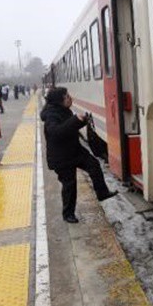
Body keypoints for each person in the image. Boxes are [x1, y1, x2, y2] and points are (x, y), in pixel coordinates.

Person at [41, 87, 117, 223]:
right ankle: (68, 214)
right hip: (61, 157)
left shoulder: (64, 110)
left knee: (93, 165)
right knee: (69, 185)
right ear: (60, 100)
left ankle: (102, 192)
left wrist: (82, 121)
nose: (70, 98)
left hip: (74, 151)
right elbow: (56, 133)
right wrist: (75, 120)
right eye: (67, 96)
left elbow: (69, 128)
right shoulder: (51, 116)